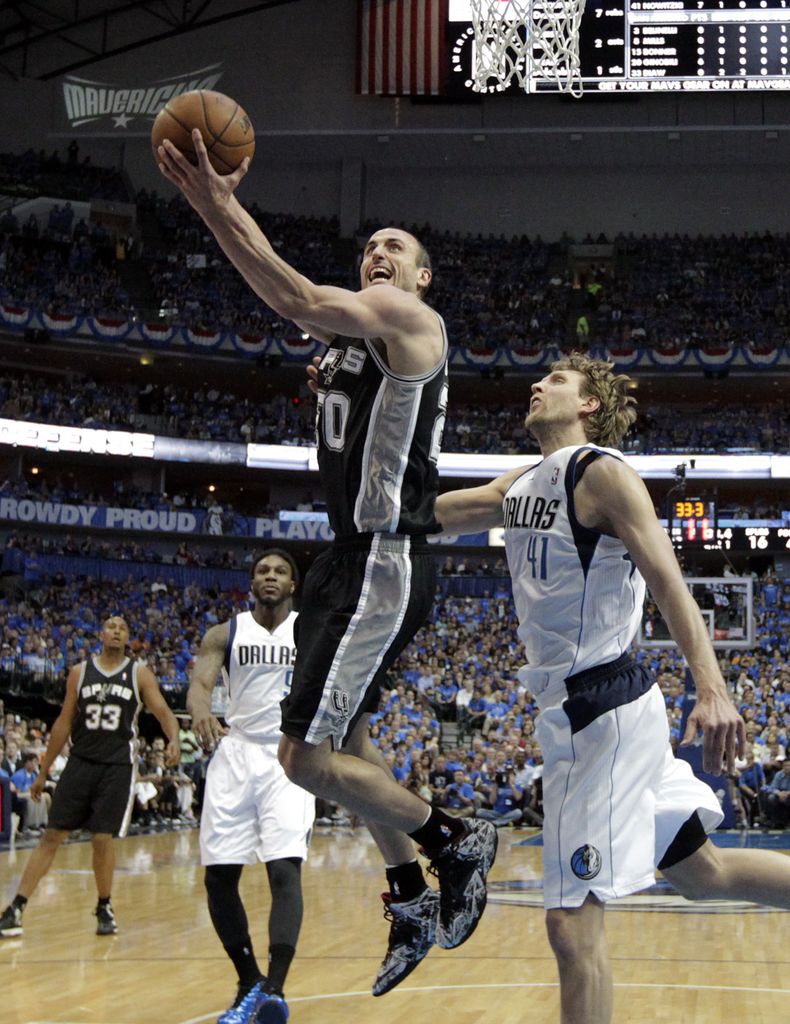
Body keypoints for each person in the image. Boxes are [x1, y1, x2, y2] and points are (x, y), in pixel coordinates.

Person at [157, 132, 497, 996]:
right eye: (369, 245)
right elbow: (308, 307)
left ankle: (454, 835)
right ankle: (411, 895)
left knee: (302, 761)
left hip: (382, 560)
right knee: (344, 738)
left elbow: (296, 293)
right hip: (346, 558)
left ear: (422, 279)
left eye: (397, 247)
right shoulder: (353, 340)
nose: (377, 252)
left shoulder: (413, 322)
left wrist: (212, 199)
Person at [435, 352, 790, 1024]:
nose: (536, 384)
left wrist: (711, 688)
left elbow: (667, 579)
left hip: (599, 710)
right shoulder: (524, 482)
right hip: (601, 707)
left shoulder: (602, 473)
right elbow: (431, 512)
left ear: (589, 405)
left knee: (572, 928)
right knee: (702, 872)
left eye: (557, 380)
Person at [187, 549, 315, 1024]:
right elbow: (200, 683)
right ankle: (248, 981)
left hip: (288, 756)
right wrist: (201, 710)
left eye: (280, 571)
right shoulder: (225, 632)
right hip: (235, 752)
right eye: (263, 570)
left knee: (284, 872)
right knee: (219, 875)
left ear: (292, 585)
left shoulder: (310, 630)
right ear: (251, 582)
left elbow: (340, 683)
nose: (270, 576)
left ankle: (274, 991)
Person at [0, 616, 180, 939]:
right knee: (52, 835)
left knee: (101, 837)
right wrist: (43, 772)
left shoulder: (138, 674)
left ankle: (104, 904)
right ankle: (16, 907)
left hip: (117, 766)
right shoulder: (79, 673)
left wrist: (174, 740)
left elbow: (165, 713)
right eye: (110, 626)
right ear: (101, 633)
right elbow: (63, 723)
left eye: (123, 628)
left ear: (128, 638)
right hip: (80, 762)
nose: (116, 631)